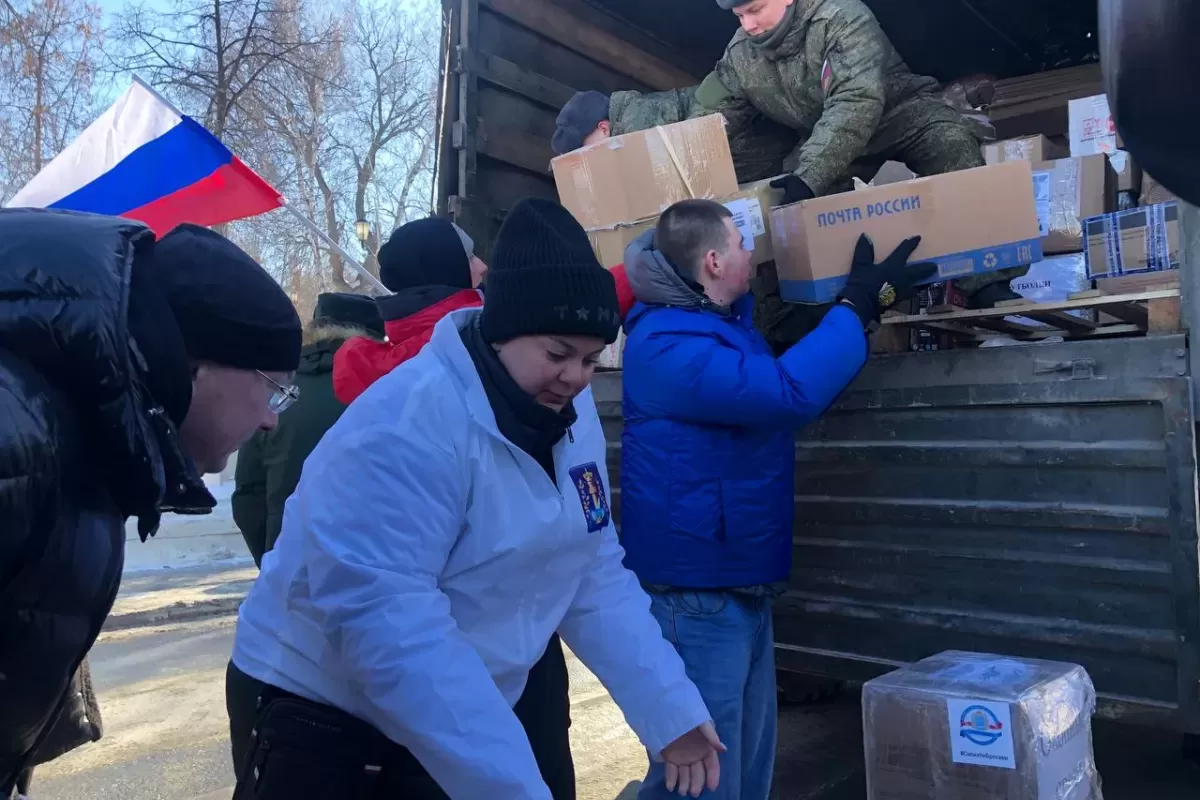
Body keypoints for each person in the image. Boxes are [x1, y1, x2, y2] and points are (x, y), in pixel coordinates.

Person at [226, 197, 723, 800]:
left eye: (592, 359)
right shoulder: (409, 423)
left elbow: (589, 567)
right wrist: (511, 784)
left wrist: (668, 708)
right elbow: (390, 624)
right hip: (322, 705)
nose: (575, 377)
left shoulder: (569, 411)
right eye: (558, 354)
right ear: (501, 331)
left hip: (454, 695)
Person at [619, 199, 934, 799]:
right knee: (700, 775)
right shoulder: (666, 344)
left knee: (745, 767)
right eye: (741, 244)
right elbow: (787, 393)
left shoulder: (720, 326)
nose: (751, 254)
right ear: (712, 261)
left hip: (738, 578)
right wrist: (855, 307)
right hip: (698, 592)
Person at [0, 210, 302, 796]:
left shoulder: (89, 440)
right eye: (272, 387)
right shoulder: (21, 435)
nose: (270, 419)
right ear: (196, 366)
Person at [698, 0, 1022, 313]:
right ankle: (814, 307)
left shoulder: (840, 16)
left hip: (899, 113)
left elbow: (856, 101)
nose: (748, 25)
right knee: (788, 207)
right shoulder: (740, 52)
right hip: (824, 134)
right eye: (739, 16)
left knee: (952, 143)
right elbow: (714, 112)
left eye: (754, 10)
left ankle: (987, 282)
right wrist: (691, 153)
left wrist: (809, 176)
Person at [233, 293, 385, 566]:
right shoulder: (386, 389)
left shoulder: (272, 389)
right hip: (373, 564)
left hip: (290, 564)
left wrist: (271, 557)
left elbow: (248, 493)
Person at [333, 218, 488, 404]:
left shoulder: (377, 370)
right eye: (470, 258)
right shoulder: (475, 345)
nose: (482, 266)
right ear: (445, 273)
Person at [550, 87, 796, 184]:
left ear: (604, 128)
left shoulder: (636, 125)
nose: (586, 157)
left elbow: (665, 180)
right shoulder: (625, 122)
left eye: (584, 148)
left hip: (770, 147)